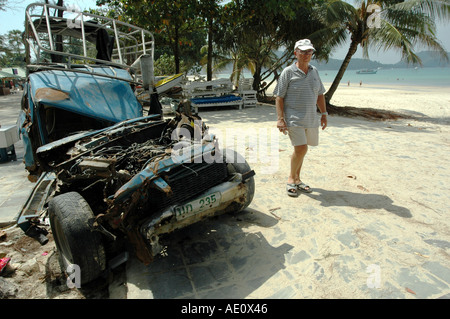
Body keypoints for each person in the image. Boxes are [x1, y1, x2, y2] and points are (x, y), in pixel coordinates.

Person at [274, 39, 328, 197]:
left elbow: (320, 94)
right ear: (295, 53)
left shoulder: (314, 71)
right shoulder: (288, 72)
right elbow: (279, 97)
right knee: (301, 148)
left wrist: (324, 114)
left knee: (303, 150)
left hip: (311, 118)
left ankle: (297, 179)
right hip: (293, 118)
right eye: (303, 51)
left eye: (309, 51)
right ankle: (291, 179)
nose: (306, 54)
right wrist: (280, 119)